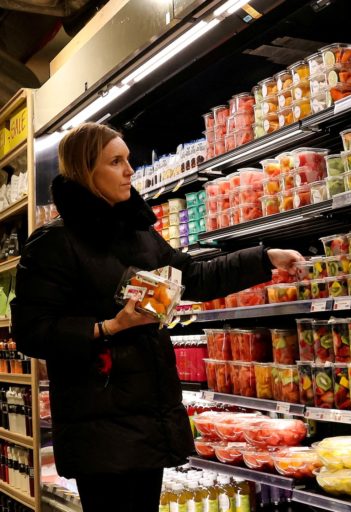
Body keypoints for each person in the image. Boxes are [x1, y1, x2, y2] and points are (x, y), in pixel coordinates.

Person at [10, 122, 303, 511]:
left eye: (128, 160)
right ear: (85, 171)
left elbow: (194, 276)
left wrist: (264, 259)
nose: (129, 170)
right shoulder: (54, 243)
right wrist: (108, 327)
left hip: (149, 417)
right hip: (99, 424)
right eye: (116, 162)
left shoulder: (140, 235)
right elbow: (32, 331)